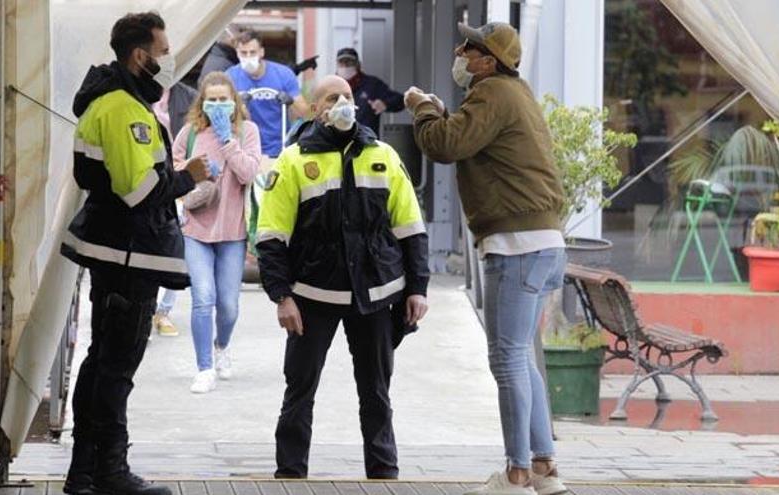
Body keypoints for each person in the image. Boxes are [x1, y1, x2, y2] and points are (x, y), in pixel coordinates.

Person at [406, 22, 569, 495]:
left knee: (508, 359)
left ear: (489, 61)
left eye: (470, 47)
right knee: (522, 359)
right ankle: (544, 469)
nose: (460, 50)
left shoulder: (493, 92)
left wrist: (421, 110)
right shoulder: (514, 93)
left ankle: (517, 472)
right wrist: (436, 111)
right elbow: (460, 132)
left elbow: (445, 144)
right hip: (541, 242)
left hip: (517, 245)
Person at [59, 11, 208, 495]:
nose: (168, 63)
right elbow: (138, 191)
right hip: (128, 256)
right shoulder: (123, 108)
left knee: (102, 363)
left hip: (119, 252)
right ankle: (109, 473)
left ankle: (85, 474)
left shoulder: (118, 102)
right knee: (116, 368)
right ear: (140, 56)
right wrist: (191, 177)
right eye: (163, 53)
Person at [256, 75, 430, 480]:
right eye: (333, 97)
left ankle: (384, 473)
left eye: (348, 96)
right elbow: (270, 236)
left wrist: (417, 289)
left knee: (377, 392)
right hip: (311, 296)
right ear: (317, 109)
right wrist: (281, 296)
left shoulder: (383, 155)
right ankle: (290, 473)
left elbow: (411, 228)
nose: (343, 103)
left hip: (375, 293)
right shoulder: (294, 160)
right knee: (299, 391)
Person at [173, 71, 261, 393]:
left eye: (224, 99)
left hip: (232, 232)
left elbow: (249, 171)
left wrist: (227, 141)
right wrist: (196, 170)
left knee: (228, 305)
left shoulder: (247, 131)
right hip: (196, 228)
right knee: (202, 298)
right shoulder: (190, 133)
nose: (218, 105)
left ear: (234, 101)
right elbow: (174, 168)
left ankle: (221, 346)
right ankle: (204, 367)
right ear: (202, 102)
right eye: (212, 100)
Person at [152, 82, 198, 338]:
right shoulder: (141, 97)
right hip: (157, 178)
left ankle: (163, 311)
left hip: (177, 180)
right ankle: (152, 310)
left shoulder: (187, 96)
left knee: (174, 244)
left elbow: (184, 148)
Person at [226, 29, 309, 158]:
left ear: (261, 52)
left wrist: (290, 101)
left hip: (279, 147)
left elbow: (304, 112)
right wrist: (240, 106)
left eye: (252, 52)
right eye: (243, 53)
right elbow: (226, 117)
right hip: (246, 147)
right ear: (237, 53)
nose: (248, 57)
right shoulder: (230, 77)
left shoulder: (283, 74)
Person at [335, 47, 404, 137]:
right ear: (337, 65)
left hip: (366, 143)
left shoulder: (372, 85)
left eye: (349, 62)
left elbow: (400, 100)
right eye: (342, 63)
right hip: (337, 143)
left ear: (358, 64)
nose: (345, 66)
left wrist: (385, 104)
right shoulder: (330, 87)